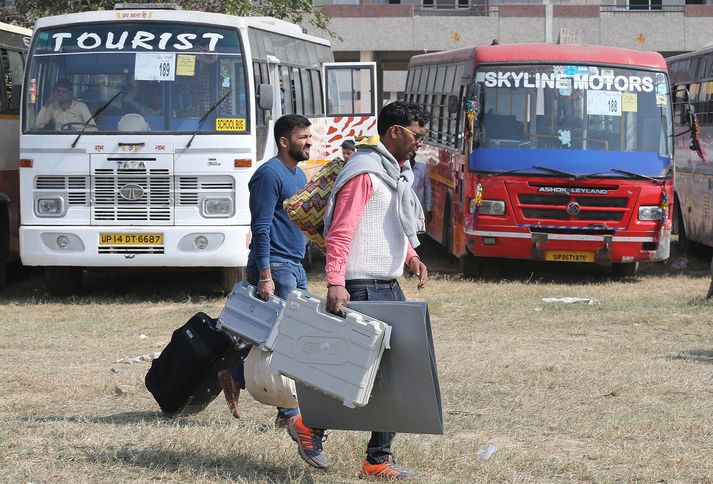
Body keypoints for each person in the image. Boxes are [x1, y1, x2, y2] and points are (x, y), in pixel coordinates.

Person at [287, 101, 429, 479]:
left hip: (388, 283)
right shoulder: (364, 172)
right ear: (395, 132)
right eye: (417, 136)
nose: (419, 144)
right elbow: (342, 230)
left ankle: (377, 458)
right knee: (354, 370)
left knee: (394, 372)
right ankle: (310, 426)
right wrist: (335, 281)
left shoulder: (393, 173)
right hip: (361, 286)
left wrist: (411, 255)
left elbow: (391, 222)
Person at [218, 114, 311, 427]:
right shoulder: (268, 175)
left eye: (309, 136)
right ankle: (287, 413)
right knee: (281, 340)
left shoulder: (299, 176)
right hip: (276, 266)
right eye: (302, 137)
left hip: (296, 265)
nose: (309, 141)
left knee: (289, 335)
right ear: (284, 142)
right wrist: (265, 275)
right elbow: (260, 227)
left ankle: (233, 373)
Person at [409, 152, 432, 225]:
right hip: (405, 210)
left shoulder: (422, 168)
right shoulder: (400, 169)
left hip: (418, 211)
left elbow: (427, 190)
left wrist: (429, 209)